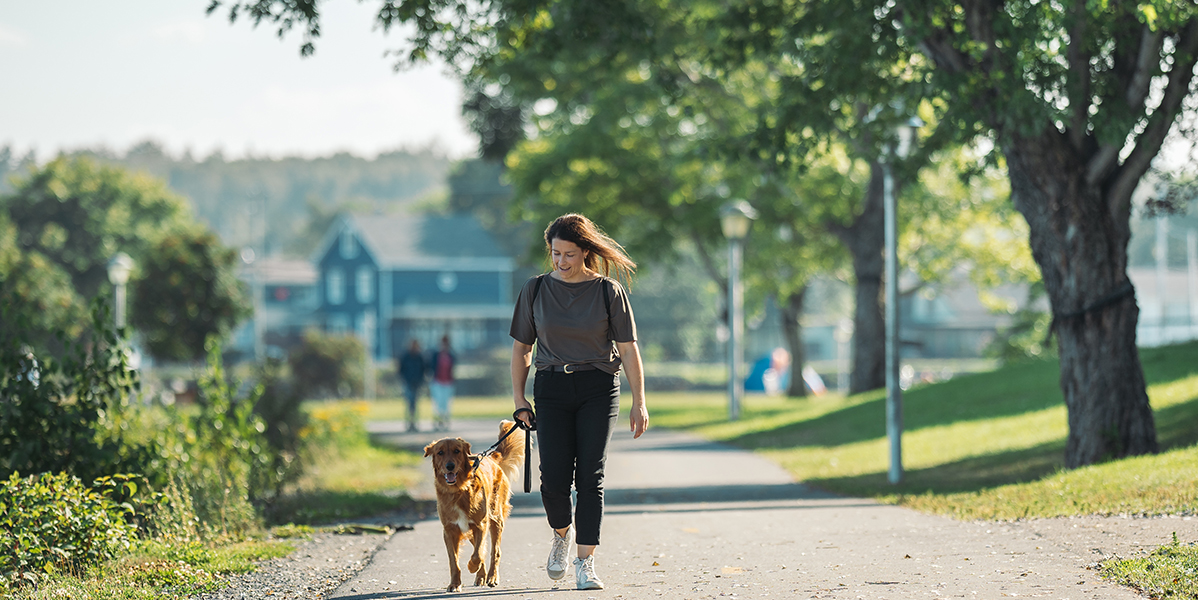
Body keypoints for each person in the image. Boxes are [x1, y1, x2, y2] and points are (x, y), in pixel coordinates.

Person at [510, 213, 649, 591]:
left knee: (590, 475)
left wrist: (640, 401)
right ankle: (561, 535)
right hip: (551, 387)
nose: (561, 261)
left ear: (585, 251)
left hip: (598, 387)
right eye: (555, 253)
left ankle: (585, 562)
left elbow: (628, 348)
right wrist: (519, 398)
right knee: (553, 479)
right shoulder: (535, 289)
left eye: (569, 254)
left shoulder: (608, 292)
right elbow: (522, 347)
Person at [397, 339, 427, 432]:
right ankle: (409, 423)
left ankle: (414, 422)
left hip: (417, 383)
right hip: (408, 383)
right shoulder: (406, 356)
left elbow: (423, 369)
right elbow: (401, 369)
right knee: (409, 403)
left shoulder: (419, 357)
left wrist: (421, 380)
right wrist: (405, 379)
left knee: (415, 404)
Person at [428, 335, 456, 431]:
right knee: (437, 403)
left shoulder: (451, 355)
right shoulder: (436, 355)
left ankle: (446, 422)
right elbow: (431, 366)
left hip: (448, 382)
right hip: (437, 382)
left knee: (446, 404)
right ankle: (437, 422)